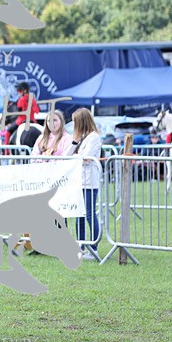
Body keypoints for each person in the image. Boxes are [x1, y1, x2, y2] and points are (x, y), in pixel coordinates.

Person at [70, 108, 102, 260]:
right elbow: (66, 156)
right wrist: (74, 142)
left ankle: (94, 248)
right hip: (79, 181)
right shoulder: (81, 138)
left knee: (89, 214)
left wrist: (76, 156)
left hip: (89, 181)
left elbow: (87, 158)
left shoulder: (94, 137)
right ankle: (80, 246)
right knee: (79, 215)